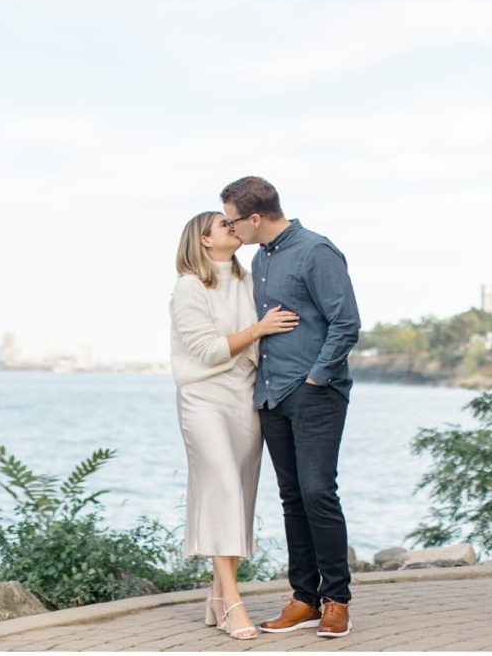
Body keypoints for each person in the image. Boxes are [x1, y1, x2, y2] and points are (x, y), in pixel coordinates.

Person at [220, 176, 361, 639]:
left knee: (319, 491)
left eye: (233, 220)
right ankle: (304, 597)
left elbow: (346, 324)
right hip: (270, 395)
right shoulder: (260, 259)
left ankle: (336, 600)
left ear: (255, 218)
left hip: (314, 392)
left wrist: (317, 377)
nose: (230, 228)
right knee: (292, 496)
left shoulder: (316, 252)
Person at [169, 211, 300, 641]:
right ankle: (232, 600)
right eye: (224, 224)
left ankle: (217, 595)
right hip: (204, 397)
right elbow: (206, 351)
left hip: (246, 396)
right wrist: (259, 329)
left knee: (239, 494)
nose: (234, 226)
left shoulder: (250, 279)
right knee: (223, 486)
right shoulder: (189, 288)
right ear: (204, 241)